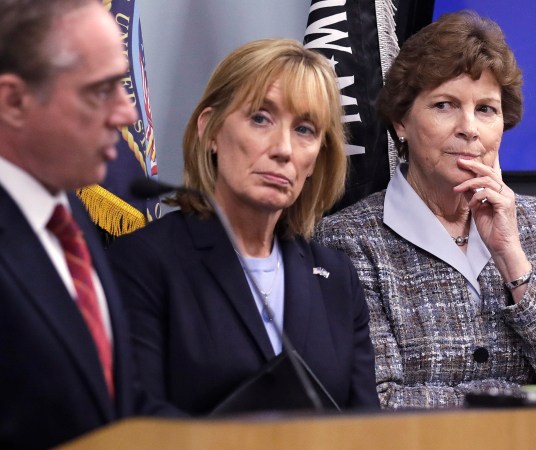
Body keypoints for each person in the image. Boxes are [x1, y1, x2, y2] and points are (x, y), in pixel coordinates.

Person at [108, 38, 379, 415]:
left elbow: (366, 429)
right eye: (260, 118)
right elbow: (139, 419)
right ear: (211, 130)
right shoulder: (144, 260)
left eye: (305, 130)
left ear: (317, 158)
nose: (283, 149)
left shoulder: (336, 278)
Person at [0, 0, 159, 448]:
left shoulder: (67, 215)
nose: (127, 114)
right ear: (13, 101)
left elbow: (117, 406)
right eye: (101, 90)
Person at [315, 10, 536, 409]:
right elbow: (380, 400)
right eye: (445, 105)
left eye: (486, 109)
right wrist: (518, 403)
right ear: (401, 120)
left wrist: (512, 258)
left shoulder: (533, 224)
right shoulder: (346, 241)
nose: (469, 127)